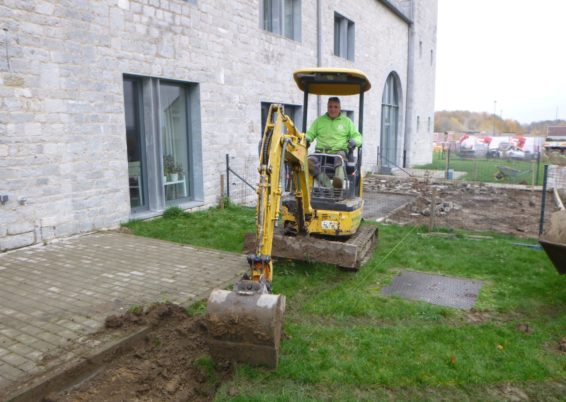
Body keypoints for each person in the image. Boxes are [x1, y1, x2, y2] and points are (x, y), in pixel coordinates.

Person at [305, 97, 362, 188]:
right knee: (308, 161)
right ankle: (327, 185)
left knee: (340, 157)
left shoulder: (347, 122)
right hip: (321, 153)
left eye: (335, 107)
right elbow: (310, 134)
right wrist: (306, 139)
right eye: (330, 106)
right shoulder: (319, 121)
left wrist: (354, 141)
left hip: (339, 152)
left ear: (339, 108)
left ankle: (338, 181)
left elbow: (357, 136)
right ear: (327, 107)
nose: (333, 109)